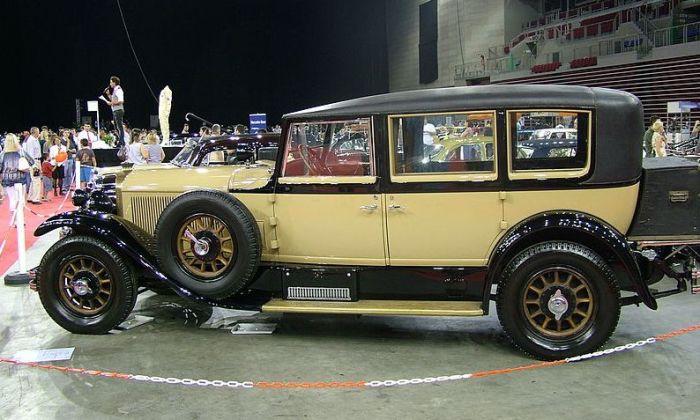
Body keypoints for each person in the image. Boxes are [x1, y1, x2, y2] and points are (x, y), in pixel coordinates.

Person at [0, 134, 31, 214]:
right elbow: (31, 161)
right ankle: (20, 218)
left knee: (12, 199)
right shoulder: (21, 151)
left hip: (7, 180)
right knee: (21, 199)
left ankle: (14, 217)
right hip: (21, 179)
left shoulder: (2, 154)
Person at [109, 76, 126, 146]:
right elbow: (113, 100)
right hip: (115, 110)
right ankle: (121, 141)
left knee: (119, 127)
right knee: (116, 127)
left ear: (114, 82)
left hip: (118, 110)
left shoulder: (118, 90)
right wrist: (108, 94)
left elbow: (121, 101)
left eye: (111, 82)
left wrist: (112, 103)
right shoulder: (115, 90)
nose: (110, 84)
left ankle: (121, 142)